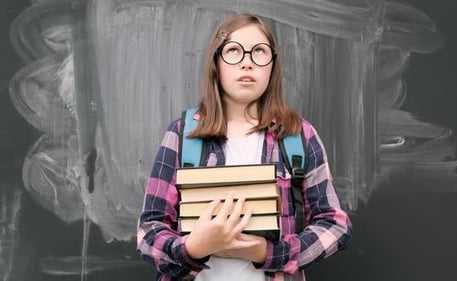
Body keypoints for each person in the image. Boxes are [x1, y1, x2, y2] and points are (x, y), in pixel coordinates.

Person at [137, 13, 352, 281]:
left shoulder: (298, 135)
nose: (247, 63)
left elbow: (335, 223)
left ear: (272, 66)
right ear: (216, 63)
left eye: (259, 52)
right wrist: (194, 248)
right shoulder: (183, 134)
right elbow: (148, 231)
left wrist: (270, 252)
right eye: (233, 51)